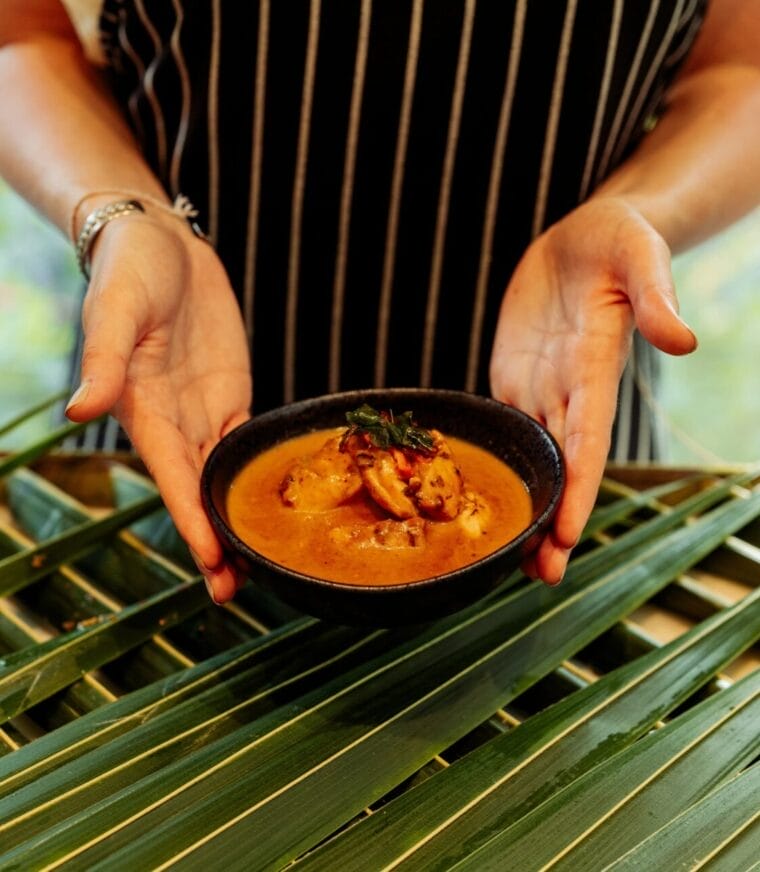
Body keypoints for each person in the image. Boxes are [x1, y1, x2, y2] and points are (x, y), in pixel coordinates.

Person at [0, 1, 759, 606]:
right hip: (172, 391)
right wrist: (119, 218)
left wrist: (643, 209)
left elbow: (741, 69)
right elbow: (20, 38)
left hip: (561, 402)